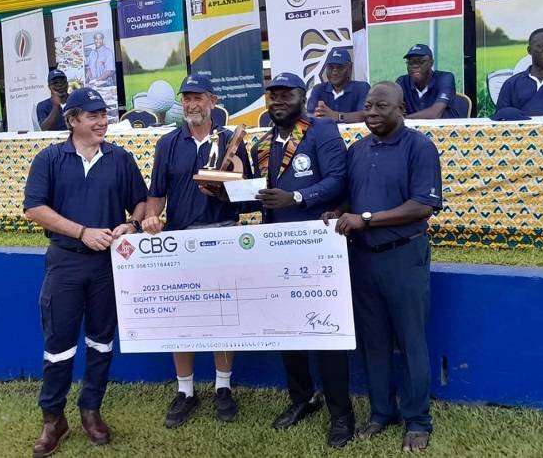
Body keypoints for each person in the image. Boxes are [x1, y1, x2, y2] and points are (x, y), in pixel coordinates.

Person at [24, 87, 148, 457]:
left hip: (107, 267)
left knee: (100, 341)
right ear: (73, 119)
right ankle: (53, 419)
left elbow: (140, 201)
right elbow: (34, 208)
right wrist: (82, 232)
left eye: (104, 115)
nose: (102, 122)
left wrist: (132, 224)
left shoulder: (120, 158)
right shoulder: (49, 158)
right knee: (59, 346)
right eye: (93, 116)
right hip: (65, 261)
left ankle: (91, 410)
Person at [323, 81, 441, 452]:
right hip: (362, 258)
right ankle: (381, 412)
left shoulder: (419, 147)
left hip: (403, 256)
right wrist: (337, 212)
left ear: (401, 108)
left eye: (381, 107)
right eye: (368, 107)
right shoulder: (357, 149)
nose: (372, 113)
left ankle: (418, 420)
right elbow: (347, 198)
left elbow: (423, 205)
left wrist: (367, 219)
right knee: (373, 342)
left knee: (410, 341)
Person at [251, 72, 354, 448]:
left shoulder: (322, 132)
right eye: (272, 94)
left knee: (326, 332)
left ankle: (341, 414)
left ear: (302, 96)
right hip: (276, 249)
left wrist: (296, 199)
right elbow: (259, 195)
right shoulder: (263, 142)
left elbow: (338, 181)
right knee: (286, 332)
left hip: (317, 247)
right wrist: (223, 188)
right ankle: (303, 398)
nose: (277, 100)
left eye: (285, 94)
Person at [142, 74, 251, 428]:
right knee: (182, 319)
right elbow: (156, 192)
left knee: (223, 315)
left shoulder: (232, 141)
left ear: (212, 100)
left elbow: (247, 193)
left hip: (222, 236)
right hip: (182, 239)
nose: (191, 104)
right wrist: (152, 216)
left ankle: (222, 386)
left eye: (197, 98)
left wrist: (226, 191)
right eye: (186, 98)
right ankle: (185, 390)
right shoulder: (169, 143)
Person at [396, 44, 459, 119]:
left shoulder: (445, 78)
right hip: (413, 130)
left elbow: (435, 113)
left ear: (431, 63)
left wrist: (404, 119)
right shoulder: (402, 82)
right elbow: (393, 111)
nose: (415, 66)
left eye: (421, 61)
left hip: (446, 129)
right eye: (410, 62)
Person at [307, 49, 370, 123]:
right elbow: (310, 117)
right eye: (331, 67)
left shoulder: (362, 88)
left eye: (340, 67)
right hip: (326, 134)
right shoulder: (319, 89)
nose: (334, 72)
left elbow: (366, 115)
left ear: (350, 68)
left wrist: (337, 116)